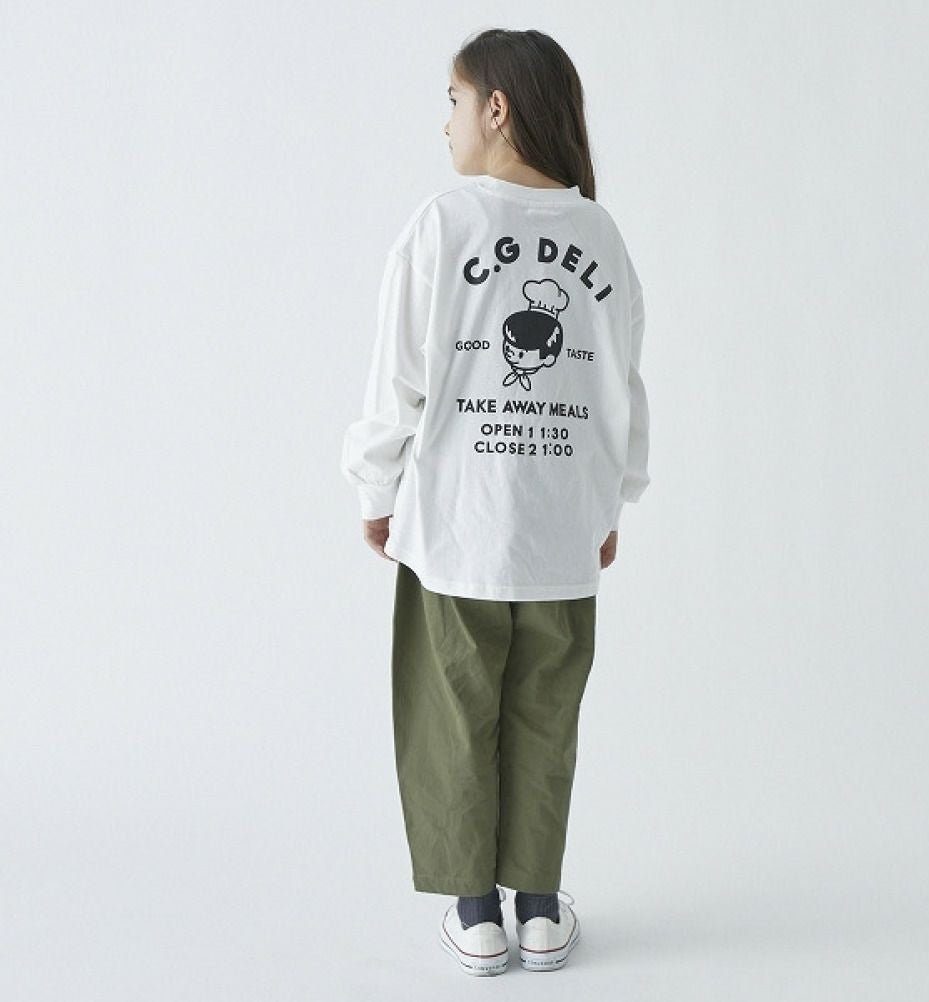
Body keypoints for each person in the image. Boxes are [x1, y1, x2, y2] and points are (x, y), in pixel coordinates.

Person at [340, 27, 650, 976]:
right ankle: (541, 910)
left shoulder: (444, 224)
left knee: (454, 712)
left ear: (497, 108)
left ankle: (477, 915)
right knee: (545, 717)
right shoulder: (600, 235)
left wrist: (377, 485)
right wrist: (610, 505)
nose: (447, 123)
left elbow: (399, 380)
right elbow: (620, 390)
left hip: (459, 525)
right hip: (560, 532)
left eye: (454, 100)